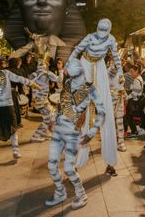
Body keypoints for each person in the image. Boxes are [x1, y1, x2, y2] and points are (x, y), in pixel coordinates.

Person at [45, 58, 104, 210]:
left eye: (71, 74)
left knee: (69, 169)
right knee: (51, 166)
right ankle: (60, 193)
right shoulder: (68, 84)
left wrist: (91, 132)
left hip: (72, 133)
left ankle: (82, 195)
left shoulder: (90, 88)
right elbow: (61, 105)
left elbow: (102, 113)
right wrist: (52, 120)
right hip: (58, 130)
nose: (70, 77)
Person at [68, 18, 122, 175]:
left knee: (107, 114)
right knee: (81, 113)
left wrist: (120, 73)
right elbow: (77, 50)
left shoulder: (111, 39)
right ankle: (76, 160)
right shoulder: (90, 37)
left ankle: (111, 162)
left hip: (100, 67)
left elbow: (116, 57)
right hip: (85, 65)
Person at [29, 60, 61, 142]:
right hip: (42, 100)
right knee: (48, 119)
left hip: (36, 100)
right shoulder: (47, 73)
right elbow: (59, 80)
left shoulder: (33, 74)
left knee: (52, 113)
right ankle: (35, 136)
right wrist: (60, 70)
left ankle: (44, 132)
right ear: (45, 65)